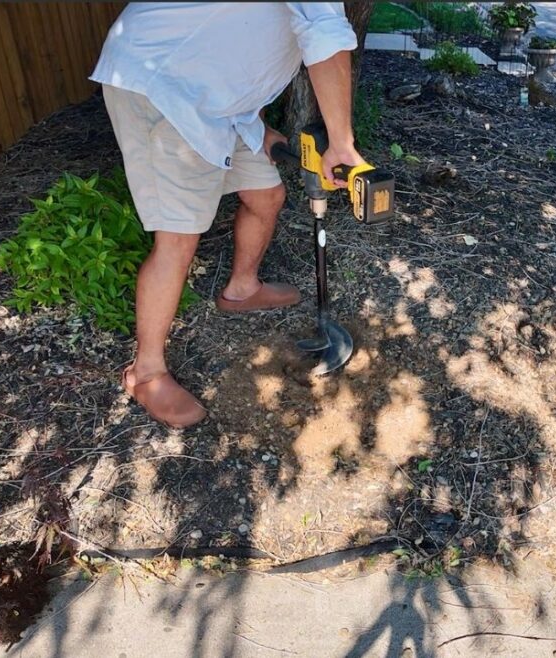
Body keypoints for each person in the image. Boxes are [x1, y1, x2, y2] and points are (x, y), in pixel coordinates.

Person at [89, 3, 364, 429]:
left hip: (219, 100)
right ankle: (146, 373)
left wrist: (255, 119)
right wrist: (342, 145)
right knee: (178, 238)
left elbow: (240, 36)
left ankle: (242, 288)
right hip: (165, 84)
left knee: (266, 195)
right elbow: (324, 34)